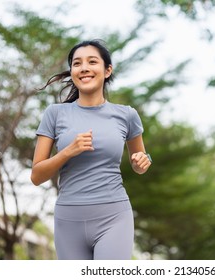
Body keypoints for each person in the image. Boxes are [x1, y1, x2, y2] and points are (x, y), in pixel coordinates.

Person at [30, 40, 152, 260]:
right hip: (68, 220)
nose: (83, 67)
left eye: (92, 61)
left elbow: (140, 163)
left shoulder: (127, 115)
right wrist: (68, 151)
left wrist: (141, 161)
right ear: (73, 72)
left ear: (107, 70)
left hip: (114, 216)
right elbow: (37, 176)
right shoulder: (55, 114)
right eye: (77, 63)